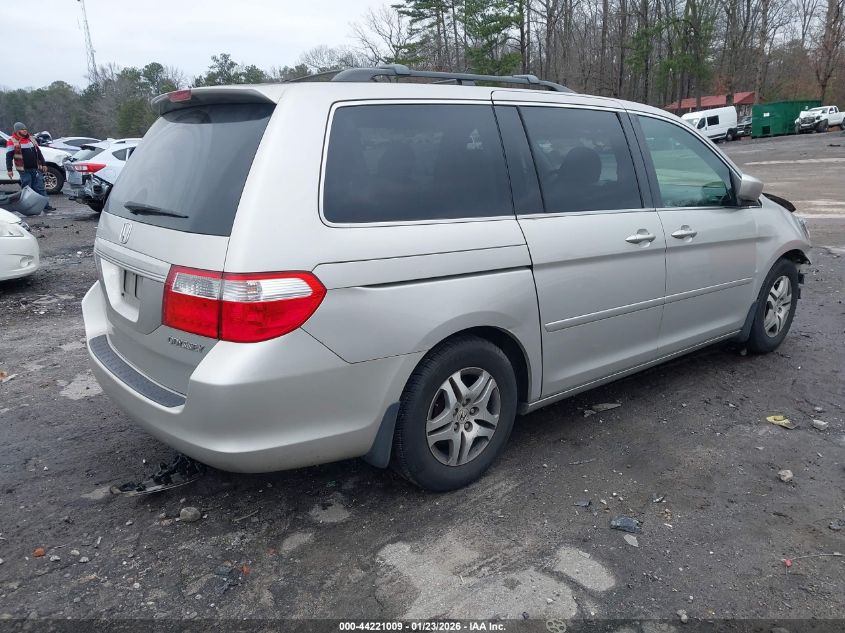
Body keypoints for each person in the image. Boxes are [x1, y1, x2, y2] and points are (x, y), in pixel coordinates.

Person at [5, 121, 55, 212]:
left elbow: (39, 153)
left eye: (25, 129)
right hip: (24, 170)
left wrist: (43, 164)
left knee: (40, 187)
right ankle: (26, 207)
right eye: (22, 130)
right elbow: (9, 156)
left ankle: (46, 206)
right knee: (27, 189)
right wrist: (9, 169)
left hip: (36, 169)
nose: (25, 131)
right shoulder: (11, 141)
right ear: (17, 131)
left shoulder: (31, 139)